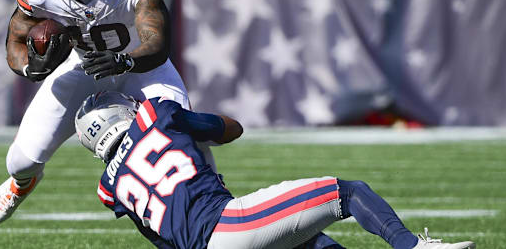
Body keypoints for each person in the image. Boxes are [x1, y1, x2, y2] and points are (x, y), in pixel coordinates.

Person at [0, 0, 195, 226]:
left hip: (141, 67)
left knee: (185, 142)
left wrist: (125, 61)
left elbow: (157, 42)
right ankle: (22, 185)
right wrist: (29, 66)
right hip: (83, 66)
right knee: (21, 162)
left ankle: (212, 206)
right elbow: (16, 38)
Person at [74, 91, 477, 249]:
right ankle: (414, 247)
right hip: (230, 225)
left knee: (315, 245)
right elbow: (229, 129)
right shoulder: (154, 114)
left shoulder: (109, 190)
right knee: (347, 192)